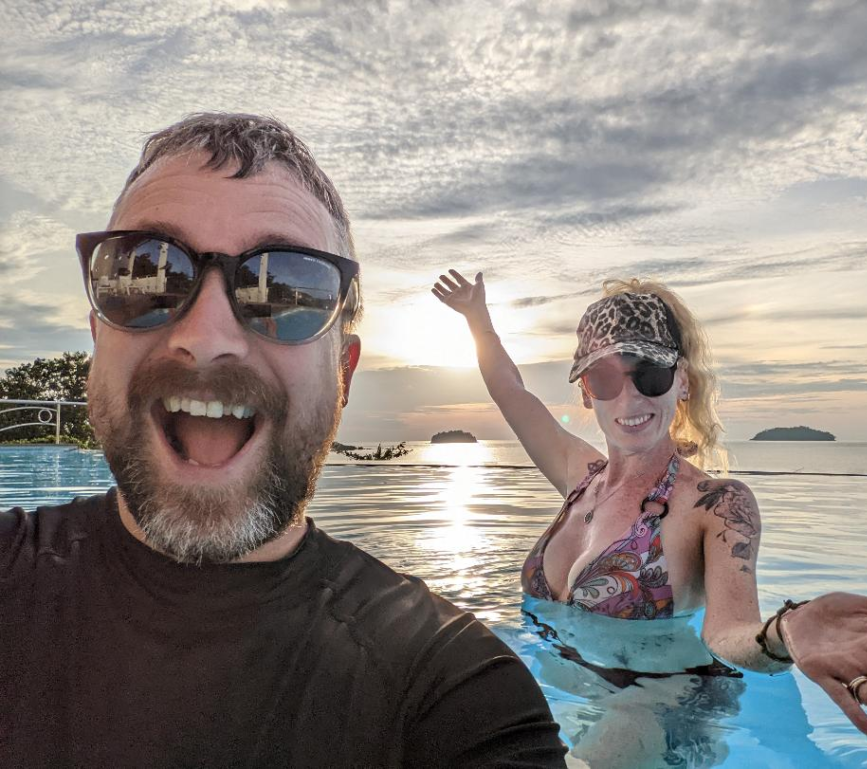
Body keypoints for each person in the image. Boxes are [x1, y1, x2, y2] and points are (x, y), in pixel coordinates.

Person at [0, 114, 567, 768]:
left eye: (285, 289)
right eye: (149, 273)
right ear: (99, 338)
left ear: (344, 373)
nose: (208, 336)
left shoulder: (449, 691)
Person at [433, 269, 867, 750]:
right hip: (566, 691)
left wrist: (786, 631)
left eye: (650, 375)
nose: (629, 400)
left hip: (661, 706)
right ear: (586, 393)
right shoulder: (579, 474)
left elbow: (728, 633)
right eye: (604, 379)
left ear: (683, 381)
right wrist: (478, 319)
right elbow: (510, 391)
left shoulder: (715, 504)